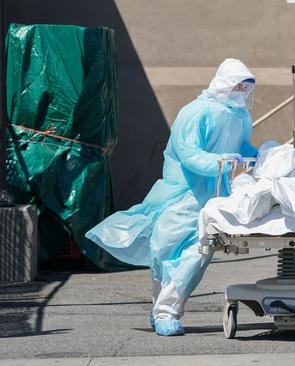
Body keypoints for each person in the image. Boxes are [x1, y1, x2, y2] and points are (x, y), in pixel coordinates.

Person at [86, 58, 258, 336]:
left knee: (196, 255)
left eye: (245, 87)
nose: (242, 92)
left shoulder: (239, 117)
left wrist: (257, 153)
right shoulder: (196, 112)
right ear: (225, 83)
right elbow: (188, 153)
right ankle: (160, 308)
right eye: (237, 85)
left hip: (213, 198)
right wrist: (220, 161)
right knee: (164, 251)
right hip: (182, 195)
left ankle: (166, 311)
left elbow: (241, 146)